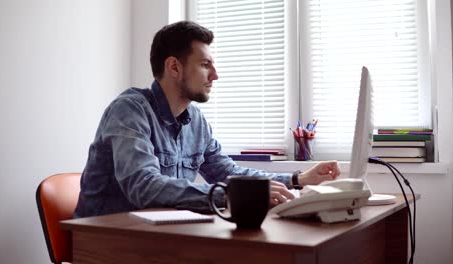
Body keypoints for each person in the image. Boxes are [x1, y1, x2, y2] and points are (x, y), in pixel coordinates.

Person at [73, 21, 340, 218]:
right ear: (174, 67)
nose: (215, 75)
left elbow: (229, 172)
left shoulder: (196, 122)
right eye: (205, 65)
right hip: (105, 241)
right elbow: (144, 187)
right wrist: (232, 195)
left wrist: (297, 180)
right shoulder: (129, 111)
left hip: (159, 238)